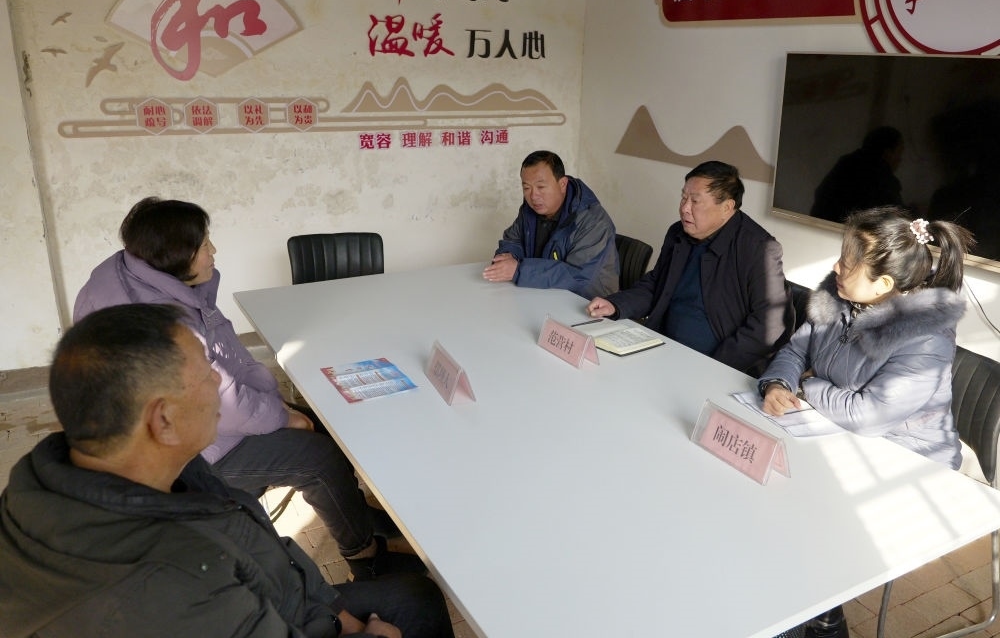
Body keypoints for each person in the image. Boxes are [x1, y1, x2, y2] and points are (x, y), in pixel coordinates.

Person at [0, 303, 454, 638]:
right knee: (411, 609)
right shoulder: (169, 588)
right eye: (205, 376)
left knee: (416, 596)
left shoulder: (61, 472)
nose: (218, 382)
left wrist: (339, 616)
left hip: (275, 599)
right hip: (248, 609)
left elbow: (261, 549)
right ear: (163, 420)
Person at [73, 197, 421, 580]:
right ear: (176, 256)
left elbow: (219, 369)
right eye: (204, 245)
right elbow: (221, 404)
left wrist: (277, 406)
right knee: (321, 458)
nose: (214, 251)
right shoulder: (163, 324)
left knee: (323, 424)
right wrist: (282, 416)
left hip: (167, 425)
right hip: (189, 453)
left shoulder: (126, 273)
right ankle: (366, 558)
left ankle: (356, 515)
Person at [757, 206, 974, 638]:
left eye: (848, 262)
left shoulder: (925, 336)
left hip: (908, 462)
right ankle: (811, 612)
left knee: (798, 522)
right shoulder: (837, 296)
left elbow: (869, 414)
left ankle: (815, 620)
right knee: (764, 495)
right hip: (835, 434)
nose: (836, 267)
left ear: (885, 284)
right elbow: (797, 349)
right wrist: (779, 382)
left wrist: (808, 386)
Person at [586, 161, 794, 376]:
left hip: (716, 364)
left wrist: (713, 367)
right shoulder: (678, 233)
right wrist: (616, 305)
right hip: (662, 347)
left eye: (695, 201)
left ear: (726, 207)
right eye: (684, 197)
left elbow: (769, 326)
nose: (684, 208)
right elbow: (657, 284)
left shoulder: (758, 249)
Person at [483, 149, 619, 299]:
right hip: (543, 293)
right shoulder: (531, 209)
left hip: (588, 302)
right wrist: (508, 257)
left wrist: (519, 270)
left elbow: (577, 276)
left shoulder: (593, 221)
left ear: (562, 184)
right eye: (526, 188)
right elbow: (513, 239)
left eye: (541, 187)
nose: (533, 196)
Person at [810, 126, 905, 223]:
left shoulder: (846, 162)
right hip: (842, 230)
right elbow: (895, 217)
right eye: (899, 153)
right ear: (888, 153)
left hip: (816, 225)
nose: (900, 159)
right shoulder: (883, 179)